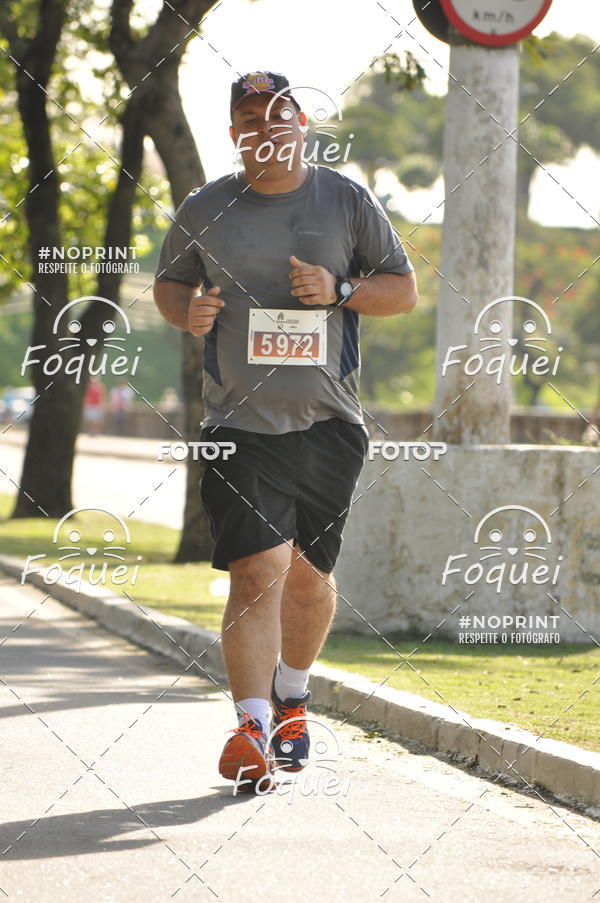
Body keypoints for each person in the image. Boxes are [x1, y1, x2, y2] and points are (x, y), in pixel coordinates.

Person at [153, 71, 417, 791]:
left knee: (306, 578)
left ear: (302, 124)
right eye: (249, 116)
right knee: (257, 568)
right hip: (237, 421)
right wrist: (189, 313)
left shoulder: (345, 201)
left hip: (330, 423)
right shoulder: (205, 208)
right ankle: (250, 726)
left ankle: (292, 699)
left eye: (279, 114)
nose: (264, 127)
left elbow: (402, 287)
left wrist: (341, 291)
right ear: (233, 131)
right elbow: (169, 285)